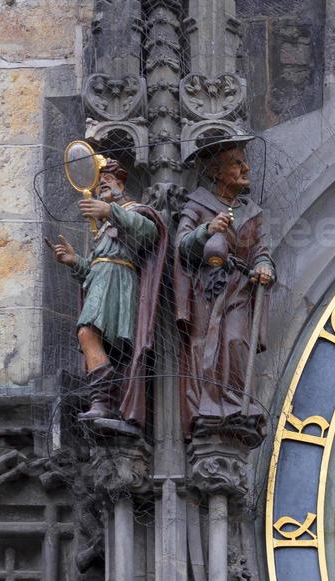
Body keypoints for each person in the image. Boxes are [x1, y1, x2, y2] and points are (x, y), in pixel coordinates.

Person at [48, 156, 168, 433]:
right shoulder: (103, 227)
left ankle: (105, 395)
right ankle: (106, 398)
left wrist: (110, 212)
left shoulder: (136, 211)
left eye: (107, 183)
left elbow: (150, 232)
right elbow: (94, 266)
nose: (102, 187)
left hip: (119, 282)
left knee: (87, 334)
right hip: (101, 281)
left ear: (120, 184)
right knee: (98, 341)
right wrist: (74, 261)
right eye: (100, 185)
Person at [174, 133, 276, 436]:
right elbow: (181, 245)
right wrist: (207, 230)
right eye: (237, 163)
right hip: (207, 287)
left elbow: (262, 251)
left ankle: (235, 404)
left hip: (240, 289)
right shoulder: (198, 204)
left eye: (244, 162)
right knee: (206, 345)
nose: (246, 169)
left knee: (235, 341)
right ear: (217, 173)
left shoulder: (253, 213)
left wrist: (263, 266)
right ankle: (206, 407)